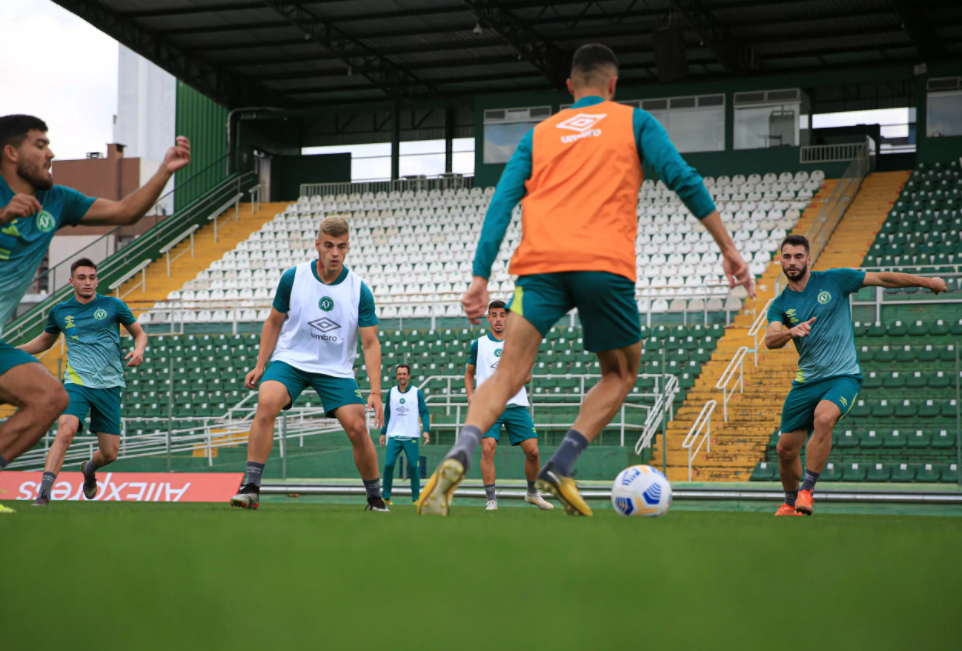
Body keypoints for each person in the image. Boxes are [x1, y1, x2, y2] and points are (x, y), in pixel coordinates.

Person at [417, 43, 752, 517]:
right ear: (613, 85)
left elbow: (501, 203)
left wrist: (479, 276)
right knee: (621, 372)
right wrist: (729, 248)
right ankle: (562, 465)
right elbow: (683, 177)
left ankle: (461, 452)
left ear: (570, 87)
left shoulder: (540, 134)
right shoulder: (633, 121)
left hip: (538, 266)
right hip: (603, 264)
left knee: (508, 373)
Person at [0, 115, 190, 514]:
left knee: (49, 398)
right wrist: (1, 216)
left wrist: (165, 171)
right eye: (40, 145)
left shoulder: (57, 201)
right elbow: (46, 338)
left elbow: (127, 210)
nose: (51, 153)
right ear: (12, 153)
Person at [765, 234, 946, 516]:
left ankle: (807, 492)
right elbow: (770, 338)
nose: (792, 262)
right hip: (805, 383)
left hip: (843, 377)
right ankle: (789, 504)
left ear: (809, 259)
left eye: (798, 256)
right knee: (785, 450)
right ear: (781, 260)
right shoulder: (780, 303)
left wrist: (927, 282)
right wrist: (791, 331)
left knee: (824, 418)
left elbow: (883, 279)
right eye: (787, 257)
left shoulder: (835, 280)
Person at [230, 216, 387, 511]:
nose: (335, 253)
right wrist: (260, 364)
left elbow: (370, 343)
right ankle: (251, 488)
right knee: (267, 401)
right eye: (328, 246)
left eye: (341, 246)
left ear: (348, 247)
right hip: (292, 359)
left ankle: (375, 498)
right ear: (318, 245)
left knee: (357, 426)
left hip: (335, 368)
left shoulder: (359, 290)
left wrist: (376, 392)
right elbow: (273, 322)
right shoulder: (294, 277)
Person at [16, 258, 147, 505]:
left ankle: (89, 469)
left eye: (92, 277)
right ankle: (43, 493)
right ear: (71, 281)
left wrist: (139, 349)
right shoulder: (60, 311)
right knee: (65, 432)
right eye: (82, 277)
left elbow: (140, 334)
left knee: (110, 453)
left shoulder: (114, 305)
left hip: (109, 385)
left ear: (97, 279)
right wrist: (11, 350)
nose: (88, 282)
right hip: (76, 383)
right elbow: (44, 342)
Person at [465, 301, 552, 511]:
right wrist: (470, 396)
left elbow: (528, 376)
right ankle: (491, 500)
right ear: (487, 318)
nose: (498, 319)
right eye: (493, 315)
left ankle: (532, 493)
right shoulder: (478, 344)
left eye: (502, 315)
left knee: (533, 452)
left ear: (508, 318)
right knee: (488, 449)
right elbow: (469, 374)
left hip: (516, 403)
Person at [379, 364, 430, 505]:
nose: (402, 376)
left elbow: (424, 412)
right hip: (394, 436)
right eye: (399, 374)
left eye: (404, 374)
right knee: (388, 466)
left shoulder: (416, 392)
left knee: (414, 467)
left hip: (411, 436)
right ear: (396, 376)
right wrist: (383, 432)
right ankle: (386, 497)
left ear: (409, 376)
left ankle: (415, 499)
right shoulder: (391, 392)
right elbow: (387, 413)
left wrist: (426, 430)